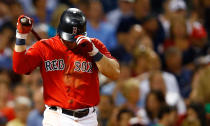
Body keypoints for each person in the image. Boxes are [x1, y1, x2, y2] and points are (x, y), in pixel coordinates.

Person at [13, 8, 120, 126]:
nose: (71, 42)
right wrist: (21, 36)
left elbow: (114, 73)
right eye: (68, 38)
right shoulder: (45, 46)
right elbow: (20, 67)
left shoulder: (94, 45)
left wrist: (94, 52)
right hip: (56, 117)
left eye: (74, 39)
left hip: (87, 118)